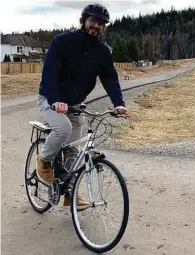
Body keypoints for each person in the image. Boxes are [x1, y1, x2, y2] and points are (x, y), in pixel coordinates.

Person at [36, 3, 127, 210]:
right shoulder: (63, 42)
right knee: (63, 128)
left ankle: (70, 194)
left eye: (102, 24)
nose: (98, 26)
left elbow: (110, 78)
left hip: (75, 104)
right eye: (94, 21)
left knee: (73, 151)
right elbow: (49, 73)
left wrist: (119, 103)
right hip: (50, 99)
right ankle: (43, 161)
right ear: (83, 20)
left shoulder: (103, 51)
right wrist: (55, 100)